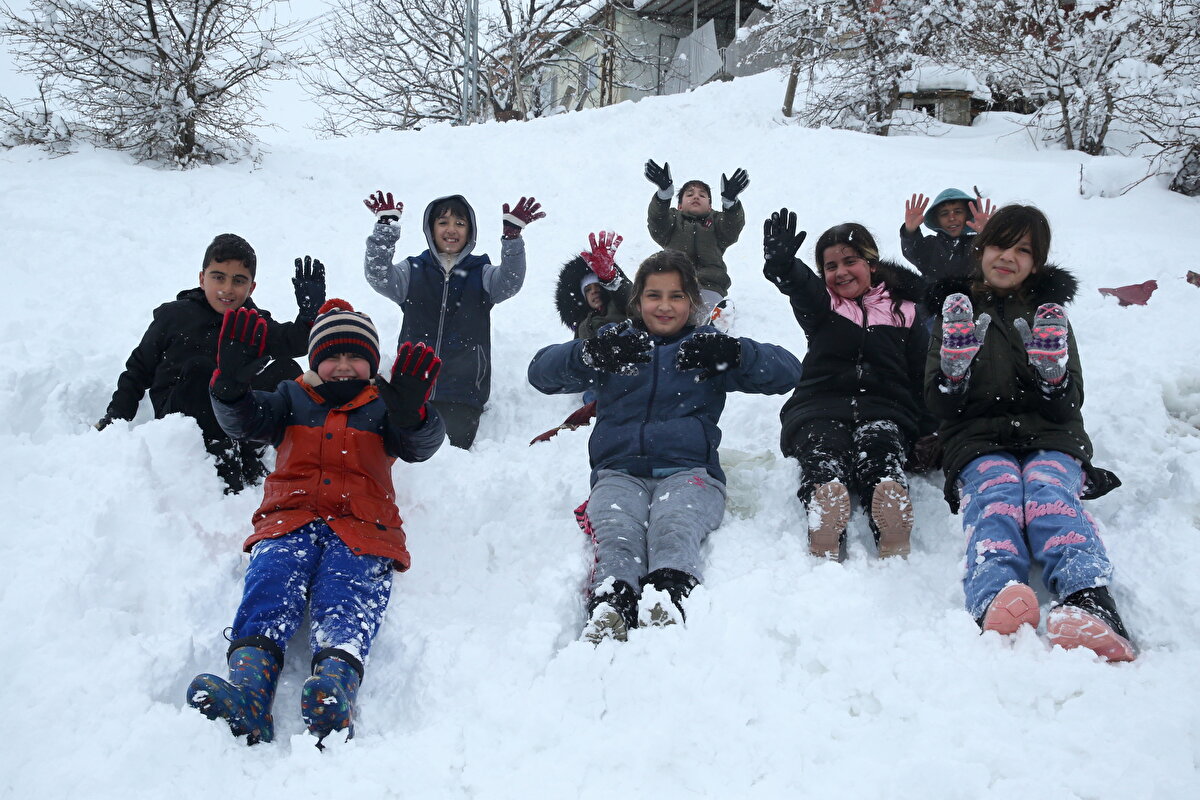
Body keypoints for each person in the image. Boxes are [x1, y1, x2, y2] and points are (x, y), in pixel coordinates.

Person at [186, 299, 446, 747]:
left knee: (348, 590)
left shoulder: (386, 405)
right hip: (291, 518)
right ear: (314, 361)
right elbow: (243, 421)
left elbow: (420, 445)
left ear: (372, 362)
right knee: (270, 580)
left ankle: (335, 689)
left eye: (355, 356)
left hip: (362, 526)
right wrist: (229, 386)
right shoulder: (290, 398)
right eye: (332, 356)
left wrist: (413, 414)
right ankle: (249, 690)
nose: (343, 366)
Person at [528, 250, 801, 643]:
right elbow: (540, 373)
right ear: (637, 301)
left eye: (676, 296)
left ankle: (667, 598)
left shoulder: (706, 346)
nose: (665, 305)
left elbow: (787, 372)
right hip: (619, 472)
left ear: (692, 302)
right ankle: (611, 604)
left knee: (673, 526)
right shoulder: (616, 344)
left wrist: (734, 353)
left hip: (690, 473)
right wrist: (590, 352)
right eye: (654, 295)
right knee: (618, 531)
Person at [924, 204, 1133, 662]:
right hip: (978, 440)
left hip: (1050, 436)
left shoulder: (1049, 315)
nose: (1008, 257)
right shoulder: (954, 313)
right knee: (996, 495)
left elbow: (1069, 401)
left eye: (1023, 250)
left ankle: (1089, 602)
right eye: (1000, 244)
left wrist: (1051, 376)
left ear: (1036, 262)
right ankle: (995, 592)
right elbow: (938, 405)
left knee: (1047, 493)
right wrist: (953, 375)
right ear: (981, 249)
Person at [97, 234, 324, 493]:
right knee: (202, 370)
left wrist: (309, 316)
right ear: (202, 278)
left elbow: (293, 343)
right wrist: (115, 417)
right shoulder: (174, 316)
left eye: (238, 281)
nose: (227, 288)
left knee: (287, 370)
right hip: (182, 413)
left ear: (251, 288)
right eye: (218, 277)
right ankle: (224, 460)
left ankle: (254, 449)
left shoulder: (251, 322)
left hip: (233, 414)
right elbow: (138, 370)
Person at [763, 211, 929, 562]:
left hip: (885, 408)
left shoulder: (906, 312)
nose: (840, 272)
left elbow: (920, 374)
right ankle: (825, 504)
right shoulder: (823, 307)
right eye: (830, 266)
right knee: (823, 451)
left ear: (871, 263)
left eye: (850, 261)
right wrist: (783, 266)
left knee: (881, 447)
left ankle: (889, 505)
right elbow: (801, 286)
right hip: (820, 406)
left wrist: (931, 430)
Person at [362, 189, 544, 449]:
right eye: (443, 222)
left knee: (451, 451)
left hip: (462, 392)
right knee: (399, 448)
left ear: (470, 232)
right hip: (411, 385)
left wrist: (512, 239)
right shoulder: (413, 270)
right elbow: (379, 276)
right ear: (431, 229)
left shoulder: (480, 272)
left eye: (460, 223)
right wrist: (385, 229)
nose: (452, 229)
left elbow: (510, 282)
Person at [529, 232, 633, 445]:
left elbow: (635, 300)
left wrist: (611, 279)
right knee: (594, 392)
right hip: (599, 376)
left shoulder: (622, 307)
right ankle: (594, 415)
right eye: (588, 290)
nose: (594, 293)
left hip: (628, 363)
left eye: (597, 287)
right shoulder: (583, 324)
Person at [644, 159, 748, 325]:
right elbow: (657, 222)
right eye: (689, 194)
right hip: (673, 282)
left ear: (709, 206)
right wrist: (664, 195)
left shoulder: (717, 222)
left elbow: (732, 227)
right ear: (679, 205)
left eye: (702, 195)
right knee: (672, 313)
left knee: (701, 315)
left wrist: (730, 203)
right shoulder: (672, 220)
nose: (696, 197)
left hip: (709, 284)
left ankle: (711, 326)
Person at [900, 188, 995, 283]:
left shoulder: (978, 244)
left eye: (958, 212)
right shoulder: (930, 245)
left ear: (967, 214)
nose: (952, 218)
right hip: (933, 296)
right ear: (936, 220)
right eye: (944, 214)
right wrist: (910, 231)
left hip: (973, 296)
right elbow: (912, 251)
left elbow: (996, 257)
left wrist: (987, 234)